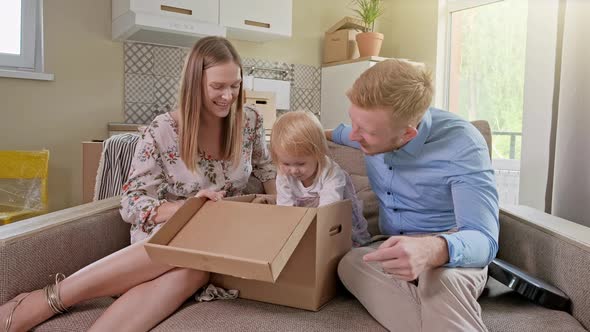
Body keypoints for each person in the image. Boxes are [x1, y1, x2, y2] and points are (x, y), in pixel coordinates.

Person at [0, 36, 276, 332]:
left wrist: (277, 202)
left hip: (219, 236)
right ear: (195, 84)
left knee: (195, 271)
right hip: (167, 232)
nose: (228, 96)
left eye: (234, 85)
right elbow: (133, 202)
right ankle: (51, 299)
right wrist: (189, 208)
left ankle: (46, 300)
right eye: (218, 86)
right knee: (190, 267)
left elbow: (266, 168)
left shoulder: (250, 121)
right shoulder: (163, 129)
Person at [327, 59, 499, 331]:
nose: (354, 136)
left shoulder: (463, 144)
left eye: (366, 132)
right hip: (390, 246)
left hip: (448, 248)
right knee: (349, 263)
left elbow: (485, 239)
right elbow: (338, 133)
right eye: (353, 122)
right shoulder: (369, 129)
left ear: (407, 134)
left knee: (441, 280)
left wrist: (432, 250)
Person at [271, 110, 371, 246]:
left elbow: (328, 212)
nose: (293, 170)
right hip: (306, 223)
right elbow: (285, 209)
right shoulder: (284, 174)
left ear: (318, 154)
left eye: (301, 164)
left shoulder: (331, 173)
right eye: (286, 163)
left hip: (338, 222)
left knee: (346, 245)